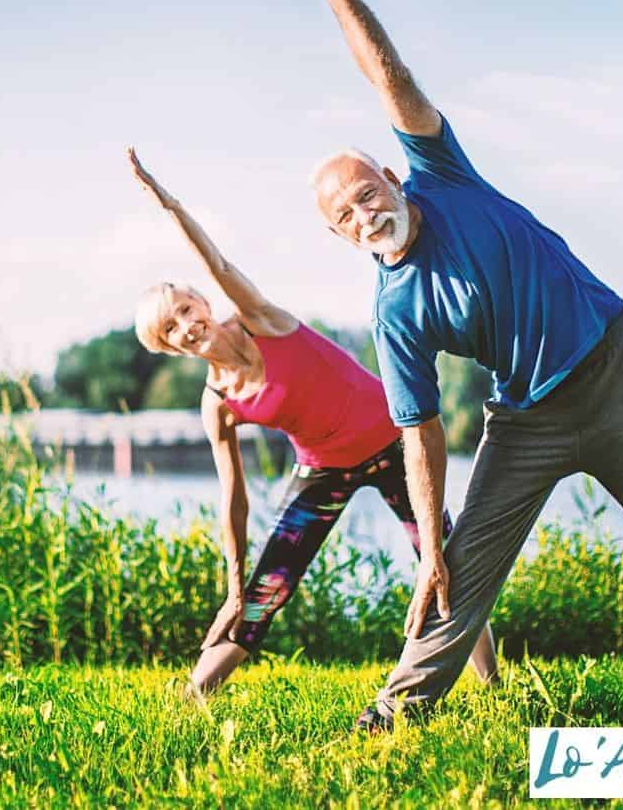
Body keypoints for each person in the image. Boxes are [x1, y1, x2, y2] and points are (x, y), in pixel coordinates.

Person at [246, 0, 623, 728]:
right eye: (343, 215)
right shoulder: (395, 313)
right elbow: (419, 434)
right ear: (339, 237)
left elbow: (391, 78)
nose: (362, 211)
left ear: (386, 173)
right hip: (527, 419)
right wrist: (432, 544)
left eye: (363, 191)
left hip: (618, 369)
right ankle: (395, 713)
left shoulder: (443, 176)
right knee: (457, 569)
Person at [127, 147, 499, 696]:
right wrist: (234, 587)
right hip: (325, 470)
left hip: (395, 444)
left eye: (186, 309)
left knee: (442, 559)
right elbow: (234, 498)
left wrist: (170, 205)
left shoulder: (260, 320)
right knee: (264, 591)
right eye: (171, 329)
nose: (187, 325)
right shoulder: (218, 402)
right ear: (168, 348)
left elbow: (219, 265)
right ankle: (190, 698)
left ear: (202, 303)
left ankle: (492, 688)